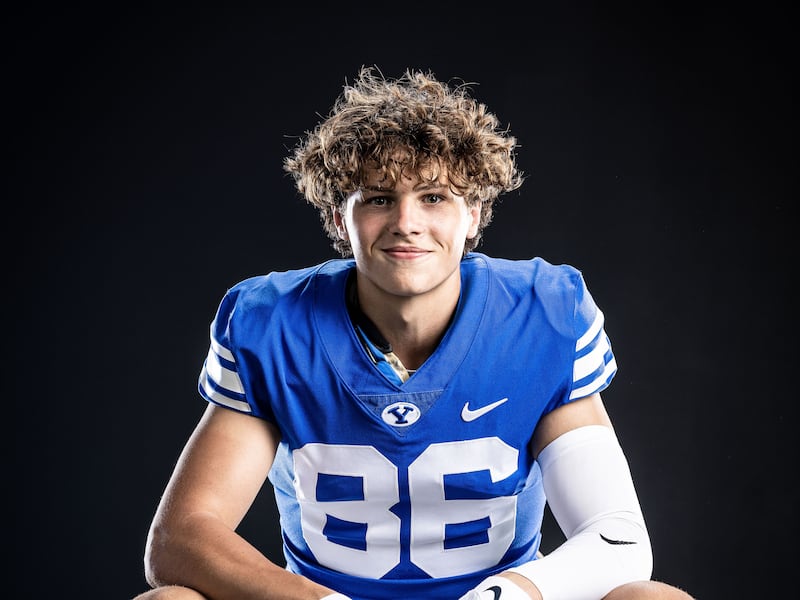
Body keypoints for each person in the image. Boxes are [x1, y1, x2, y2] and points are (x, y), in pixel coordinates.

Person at [134, 66, 693, 600]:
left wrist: (505, 595)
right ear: (339, 217)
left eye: (433, 197)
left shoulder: (540, 314)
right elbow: (180, 540)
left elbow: (617, 536)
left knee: (649, 597)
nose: (406, 222)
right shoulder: (273, 323)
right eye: (378, 198)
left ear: (473, 213)